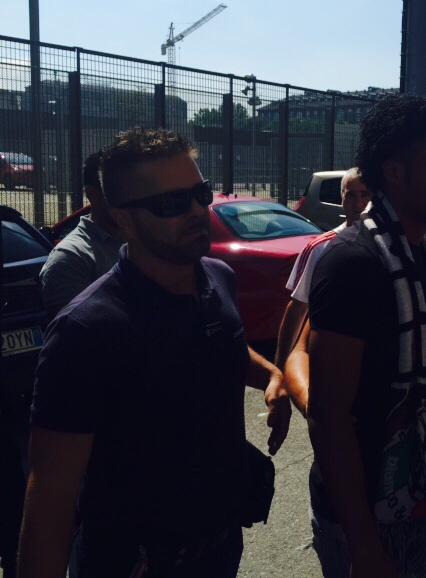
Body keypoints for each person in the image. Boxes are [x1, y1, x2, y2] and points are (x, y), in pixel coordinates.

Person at [17, 127, 292, 578]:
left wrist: (272, 376)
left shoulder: (217, 278)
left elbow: (221, 344)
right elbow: (50, 497)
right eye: (171, 203)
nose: (197, 211)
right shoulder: (86, 330)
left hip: (221, 549)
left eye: (200, 193)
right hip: (134, 563)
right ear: (122, 219)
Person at [306, 95, 426, 578]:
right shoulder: (352, 262)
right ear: (393, 171)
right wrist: (365, 549)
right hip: (367, 517)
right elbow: (329, 417)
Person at [275, 167, 372, 412]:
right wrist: (279, 375)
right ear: (341, 198)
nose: (358, 203)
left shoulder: (389, 245)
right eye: (351, 195)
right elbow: (297, 308)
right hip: (329, 370)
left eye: (365, 194)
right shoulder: (320, 247)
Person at [40, 150, 124, 321]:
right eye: (118, 189)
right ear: (92, 194)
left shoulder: (145, 239)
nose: (128, 198)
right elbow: (73, 331)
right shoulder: (70, 257)